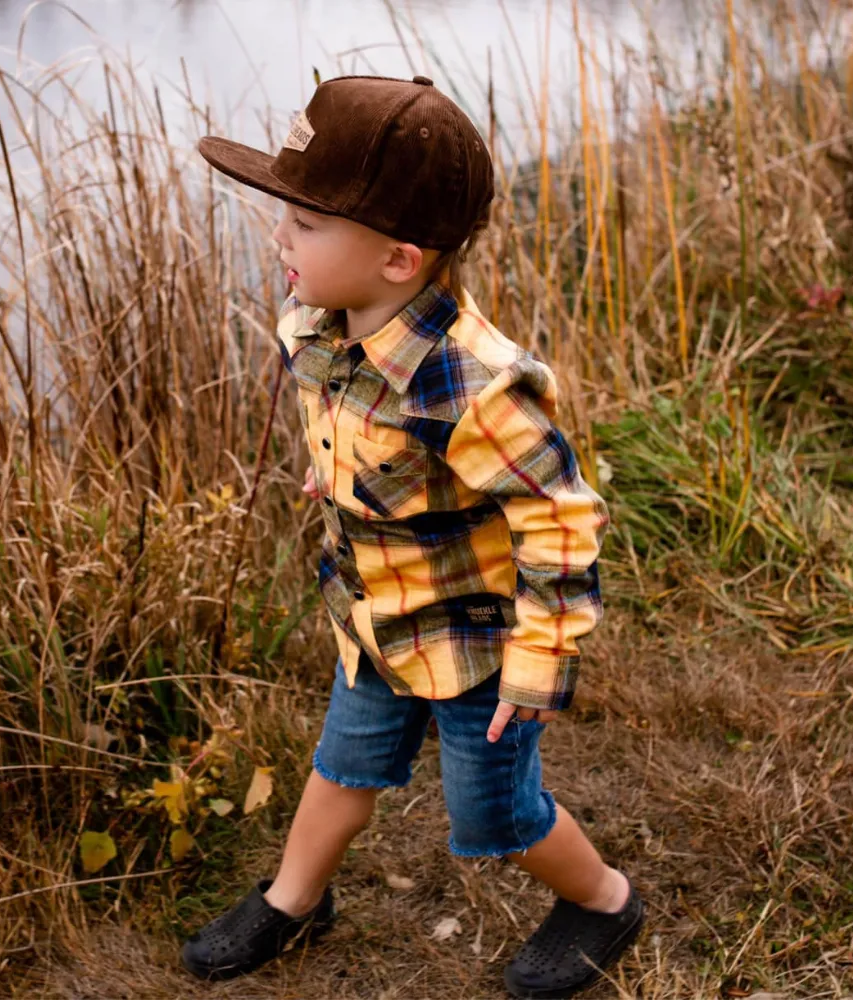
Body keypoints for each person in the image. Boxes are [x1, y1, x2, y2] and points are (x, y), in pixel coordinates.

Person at [186, 73, 645, 999]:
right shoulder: (316, 324)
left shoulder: (478, 388)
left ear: (398, 260)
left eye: (305, 225)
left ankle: (603, 900)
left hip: (472, 642)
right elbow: (361, 427)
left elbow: (560, 515)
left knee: (497, 811)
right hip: (375, 621)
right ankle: (293, 900)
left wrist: (541, 659)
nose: (280, 236)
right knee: (342, 765)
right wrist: (342, 474)